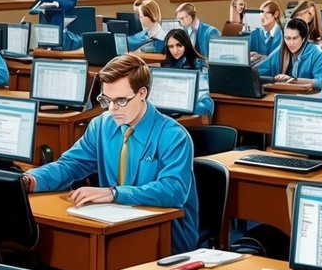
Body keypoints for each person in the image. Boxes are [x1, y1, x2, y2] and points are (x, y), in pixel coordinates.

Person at [22, 54, 198, 252]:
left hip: (165, 236)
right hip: (111, 225)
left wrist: (113, 193)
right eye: (106, 100)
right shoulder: (101, 125)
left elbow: (172, 191)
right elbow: (70, 165)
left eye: (121, 100)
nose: (112, 109)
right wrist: (31, 180)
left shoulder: (173, 135)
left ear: (142, 93)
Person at [256, 18, 322, 89]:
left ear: (303, 38)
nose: (291, 43)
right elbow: (259, 71)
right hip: (283, 94)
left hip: (308, 97)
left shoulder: (317, 53)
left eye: (295, 38)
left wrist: (293, 80)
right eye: (287, 38)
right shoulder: (282, 50)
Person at [161, 27, 214, 117]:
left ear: (186, 45)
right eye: (171, 46)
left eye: (179, 45)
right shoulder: (165, 63)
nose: (175, 51)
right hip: (171, 102)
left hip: (192, 102)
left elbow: (203, 91)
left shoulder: (199, 64)